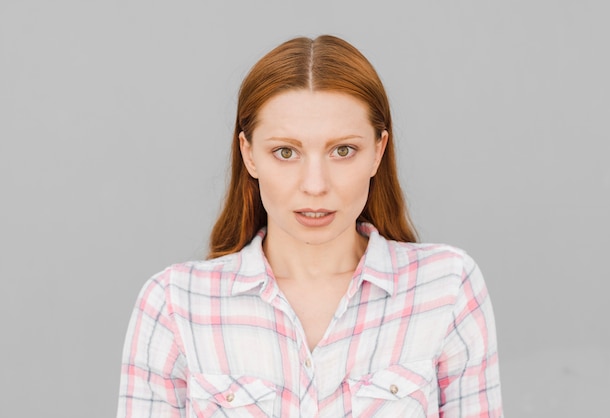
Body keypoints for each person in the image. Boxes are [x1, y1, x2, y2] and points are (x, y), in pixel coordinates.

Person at [117, 35, 503, 417]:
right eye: (285, 152)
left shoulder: (446, 287)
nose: (315, 185)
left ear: (377, 153)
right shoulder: (174, 304)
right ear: (249, 155)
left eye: (343, 151)